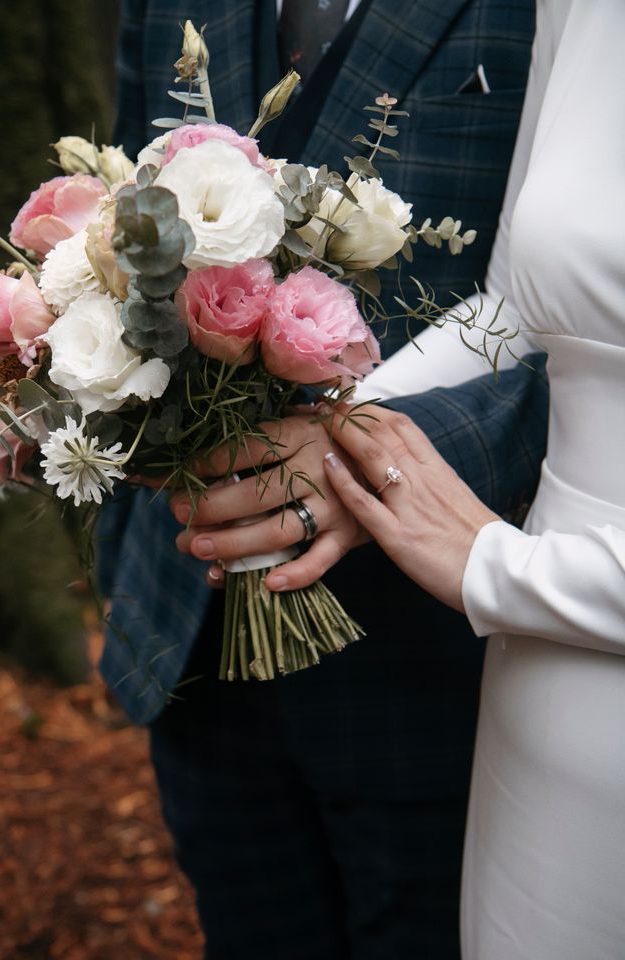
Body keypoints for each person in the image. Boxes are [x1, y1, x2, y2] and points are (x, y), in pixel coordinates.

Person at [99, 1, 545, 957]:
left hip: (435, 652)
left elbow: (584, 329)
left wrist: (375, 453)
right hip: (187, 621)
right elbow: (120, 220)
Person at [252, 2, 623, 956]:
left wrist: (494, 568)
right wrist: (341, 448)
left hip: (539, 595)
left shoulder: (494, 570)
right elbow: (515, 306)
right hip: (536, 693)